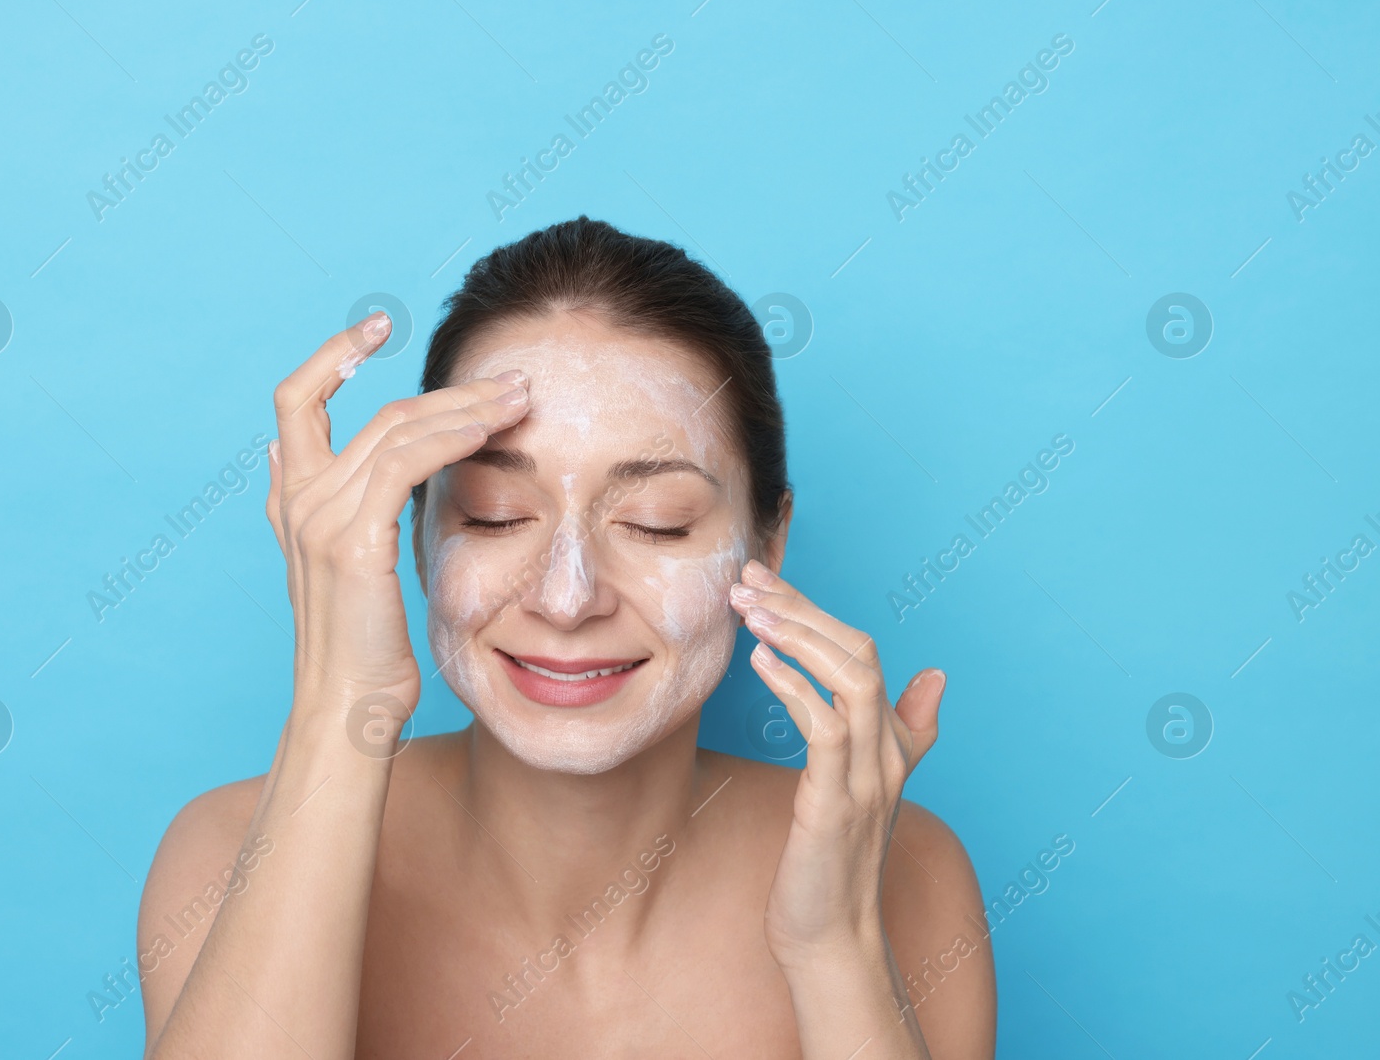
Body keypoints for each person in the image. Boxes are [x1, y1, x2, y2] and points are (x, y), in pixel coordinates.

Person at [138, 217, 996, 1058]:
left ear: (765, 543)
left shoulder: (905, 875)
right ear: (414, 540)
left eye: (656, 523)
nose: (567, 595)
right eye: (494, 514)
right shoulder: (231, 853)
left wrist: (836, 946)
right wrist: (340, 701)